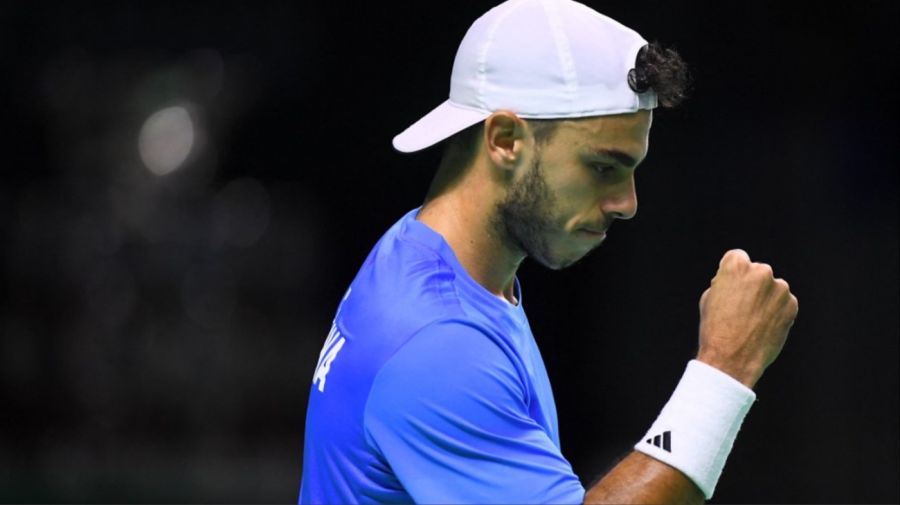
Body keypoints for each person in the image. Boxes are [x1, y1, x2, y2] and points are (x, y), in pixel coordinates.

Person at [299, 0, 798, 503]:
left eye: (632, 170)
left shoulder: (426, 252)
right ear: (505, 139)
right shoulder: (437, 340)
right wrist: (724, 367)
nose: (628, 204)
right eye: (603, 167)